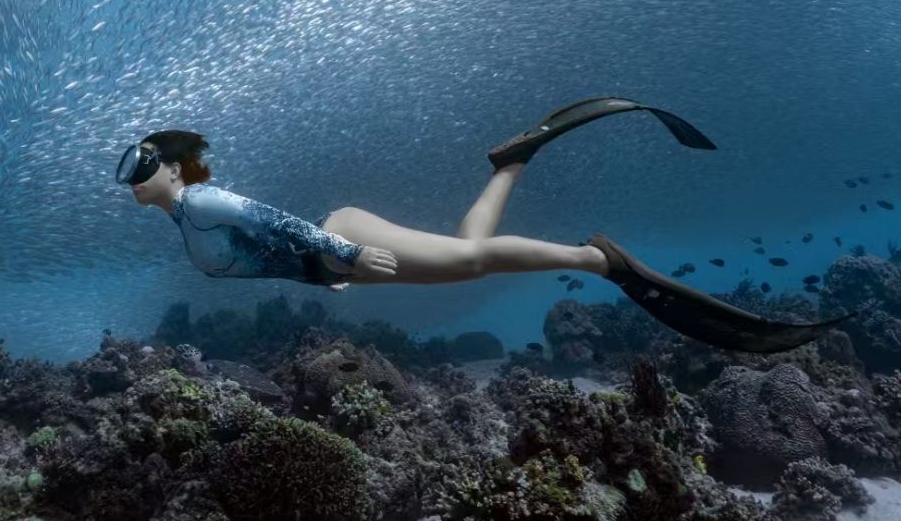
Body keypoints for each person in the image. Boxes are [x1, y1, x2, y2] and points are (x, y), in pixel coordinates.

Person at [119, 97, 853, 354]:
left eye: (143, 160)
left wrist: (340, 251)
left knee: (471, 263)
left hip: (342, 242)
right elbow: (272, 252)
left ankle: (598, 260)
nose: (134, 173)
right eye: (128, 168)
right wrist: (325, 273)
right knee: (468, 253)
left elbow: (270, 221)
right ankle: (514, 160)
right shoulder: (185, 221)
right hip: (335, 257)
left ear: (175, 168)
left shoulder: (203, 204)